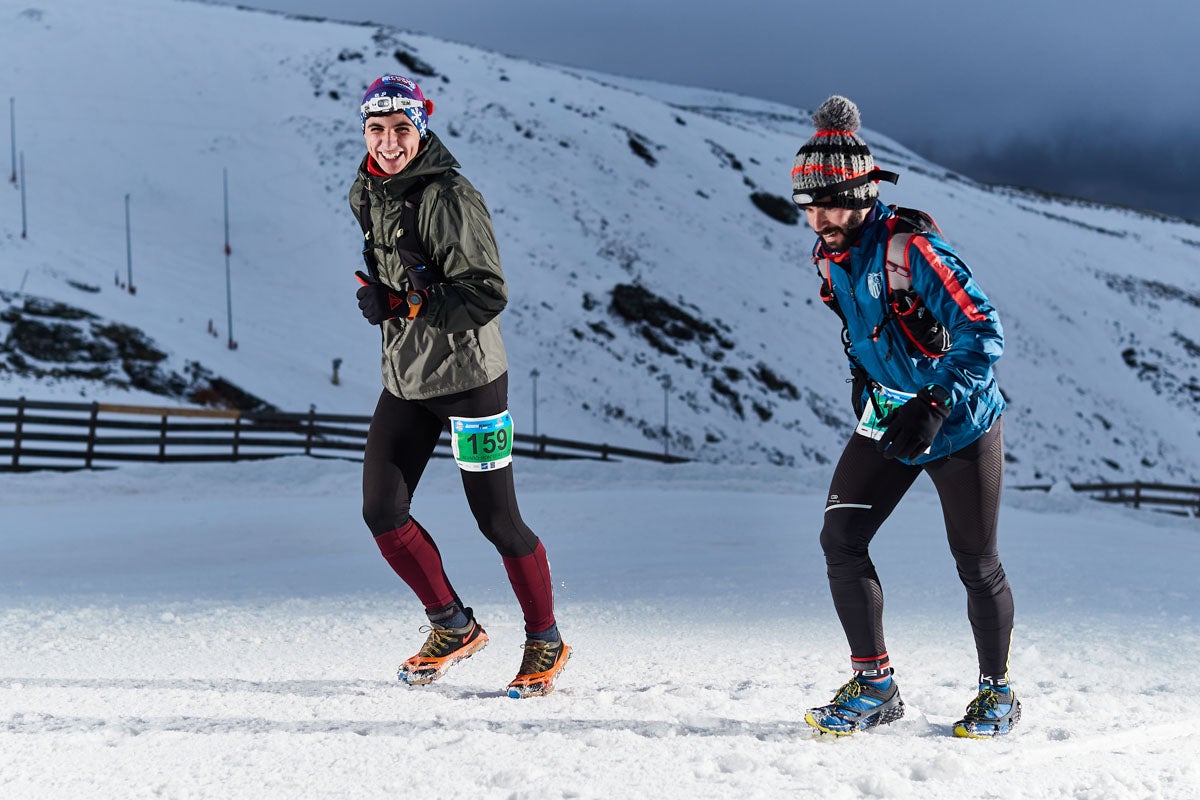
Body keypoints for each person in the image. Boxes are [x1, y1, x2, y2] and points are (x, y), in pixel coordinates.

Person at [791, 96, 1019, 737]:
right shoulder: (829, 253)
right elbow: (868, 326)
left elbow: (984, 332)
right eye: (808, 205)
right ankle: (875, 687)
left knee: (976, 561)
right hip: (890, 413)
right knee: (840, 540)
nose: (818, 219)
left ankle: (998, 694)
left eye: (830, 204)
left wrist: (935, 403)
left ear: (862, 196)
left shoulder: (912, 250)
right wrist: (867, 380)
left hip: (960, 420)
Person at [348, 74, 570, 698]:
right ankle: (452, 625)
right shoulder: (367, 190)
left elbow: (486, 293)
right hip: (407, 377)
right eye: (376, 129)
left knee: (498, 520)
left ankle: (546, 639)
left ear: (421, 129)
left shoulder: (450, 196)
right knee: (381, 511)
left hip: (470, 380)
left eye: (401, 129)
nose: (389, 142)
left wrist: (405, 304)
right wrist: (386, 298)